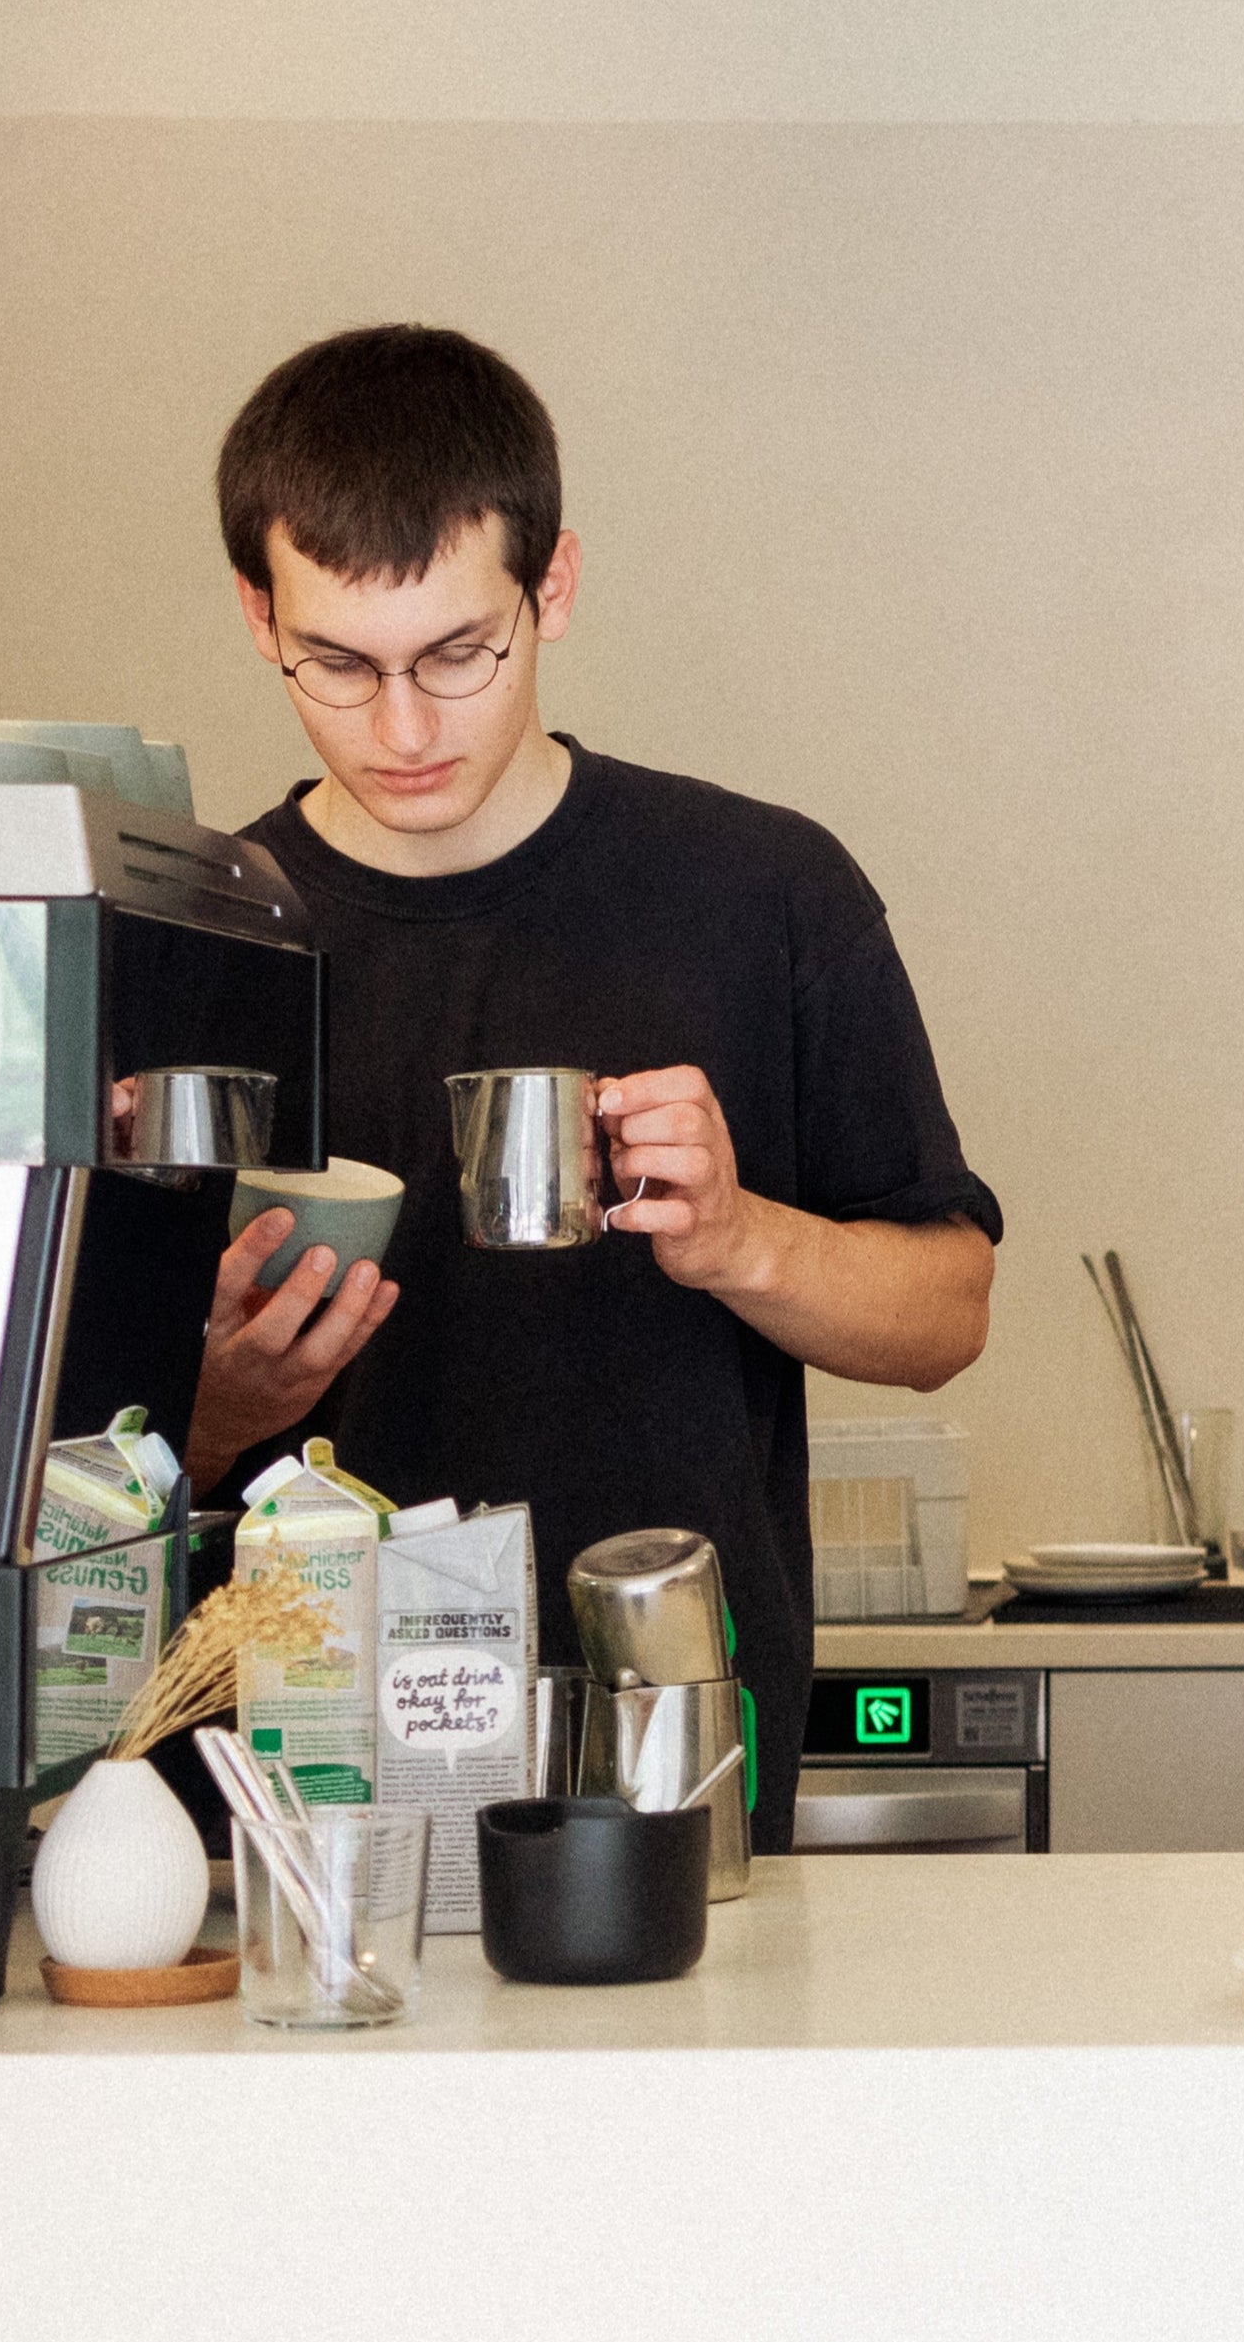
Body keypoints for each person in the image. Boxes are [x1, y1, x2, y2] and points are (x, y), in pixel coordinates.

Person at [185, 325, 998, 1850]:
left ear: (552, 586)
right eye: (338, 667)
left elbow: (949, 1317)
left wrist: (744, 1238)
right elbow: (65, 1472)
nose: (405, 728)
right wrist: (218, 1410)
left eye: (457, 655)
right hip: (310, 1811)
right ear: (257, 615)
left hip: (671, 1771)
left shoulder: (763, 893)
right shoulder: (197, 944)